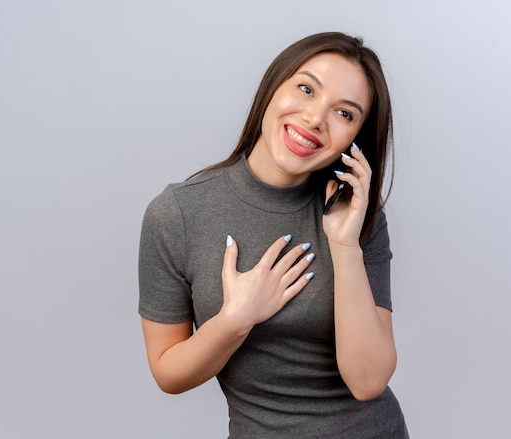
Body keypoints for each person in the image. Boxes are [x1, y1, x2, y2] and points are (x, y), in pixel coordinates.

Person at [138, 31, 409, 438]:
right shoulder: (177, 215)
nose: (315, 118)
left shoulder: (356, 217)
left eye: (345, 113)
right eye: (306, 88)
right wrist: (235, 319)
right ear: (273, 85)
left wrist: (344, 244)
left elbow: (367, 381)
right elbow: (168, 373)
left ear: (356, 139)